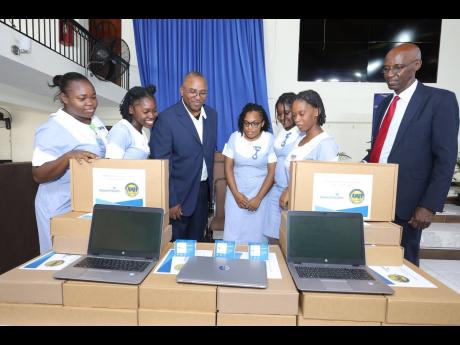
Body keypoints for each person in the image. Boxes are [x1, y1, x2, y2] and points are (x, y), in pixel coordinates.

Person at [363, 43, 459, 266]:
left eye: (397, 68)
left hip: (409, 203)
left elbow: (445, 158)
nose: (390, 75)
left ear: (417, 65)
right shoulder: (385, 104)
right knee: (374, 258)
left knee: (403, 264)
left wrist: (429, 204)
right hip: (376, 197)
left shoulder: (439, 101)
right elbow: (380, 150)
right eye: (386, 69)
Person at [32, 72, 108, 254]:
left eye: (93, 97)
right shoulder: (52, 128)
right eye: (82, 98)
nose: (90, 103)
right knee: (60, 255)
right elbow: (38, 175)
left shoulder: (94, 121)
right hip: (58, 205)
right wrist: (68, 156)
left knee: (85, 254)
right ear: (64, 98)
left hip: (84, 202)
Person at [150, 71, 217, 241]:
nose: (198, 97)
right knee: (176, 247)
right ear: (182, 91)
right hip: (178, 195)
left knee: (197, 243)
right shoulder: (166, 119)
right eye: (192, 91)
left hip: (202, 192)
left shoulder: (212, 116)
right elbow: (162, 163)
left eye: (203, 93)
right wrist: (171, 200)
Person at [223, 103, 276, 244]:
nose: (250, 128)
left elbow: (272, 173)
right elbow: (228, 168)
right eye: (246, 123)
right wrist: (236, 194)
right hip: (236, 193)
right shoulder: (234, 138)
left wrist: (258, 198)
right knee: (233, 234)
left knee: (257, 236)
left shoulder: (269, 139)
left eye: (254, 124)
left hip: (261, 194)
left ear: (262, 123)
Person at [279, 90, 339, 209]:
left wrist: (291, 191)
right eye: (294, 115)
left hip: (313, 210)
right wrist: (288, 189)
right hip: (295, 207)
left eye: (301, 114)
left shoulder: (325, 144)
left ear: (316, 111)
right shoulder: (300, 140)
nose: (296, 119)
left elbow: (329, 184)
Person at [263, 93, 303, 244]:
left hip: (291, 191)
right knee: (272, 236)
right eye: (279, 114)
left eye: (286, 113)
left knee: (287, 238)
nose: (282, 117)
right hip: (276, 190)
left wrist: (289, 188)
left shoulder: (302, 133)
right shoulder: (281, 133)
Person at [106, 85, 158, 159]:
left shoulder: (141, 132)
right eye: (146, 111)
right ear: (131, 109)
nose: (152, 115)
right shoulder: (121, 131)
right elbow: (109, 167)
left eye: (154, 111)